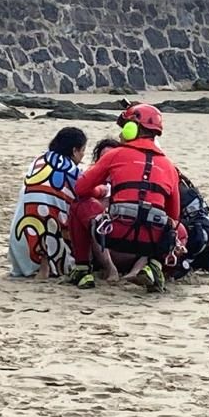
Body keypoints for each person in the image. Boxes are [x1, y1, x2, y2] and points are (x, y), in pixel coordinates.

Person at [67, 104, 180, 292]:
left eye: (124, 128)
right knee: (180, 229)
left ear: (132, 129)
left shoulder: (115, 155)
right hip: (150, 239)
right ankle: (154, 266)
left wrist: (101, 192)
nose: (120, 136)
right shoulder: (170, 167)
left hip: (116, 233)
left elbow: (81, 188)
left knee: (79, 205)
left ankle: (82, 269)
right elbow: (174, 214)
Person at [8, 127, 87, 279]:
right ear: (74, 150)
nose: (83, 155)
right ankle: (48, 262)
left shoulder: (39, 160)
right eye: (83, 150)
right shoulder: (73, 171)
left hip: (21, 242)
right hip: (51, 239)